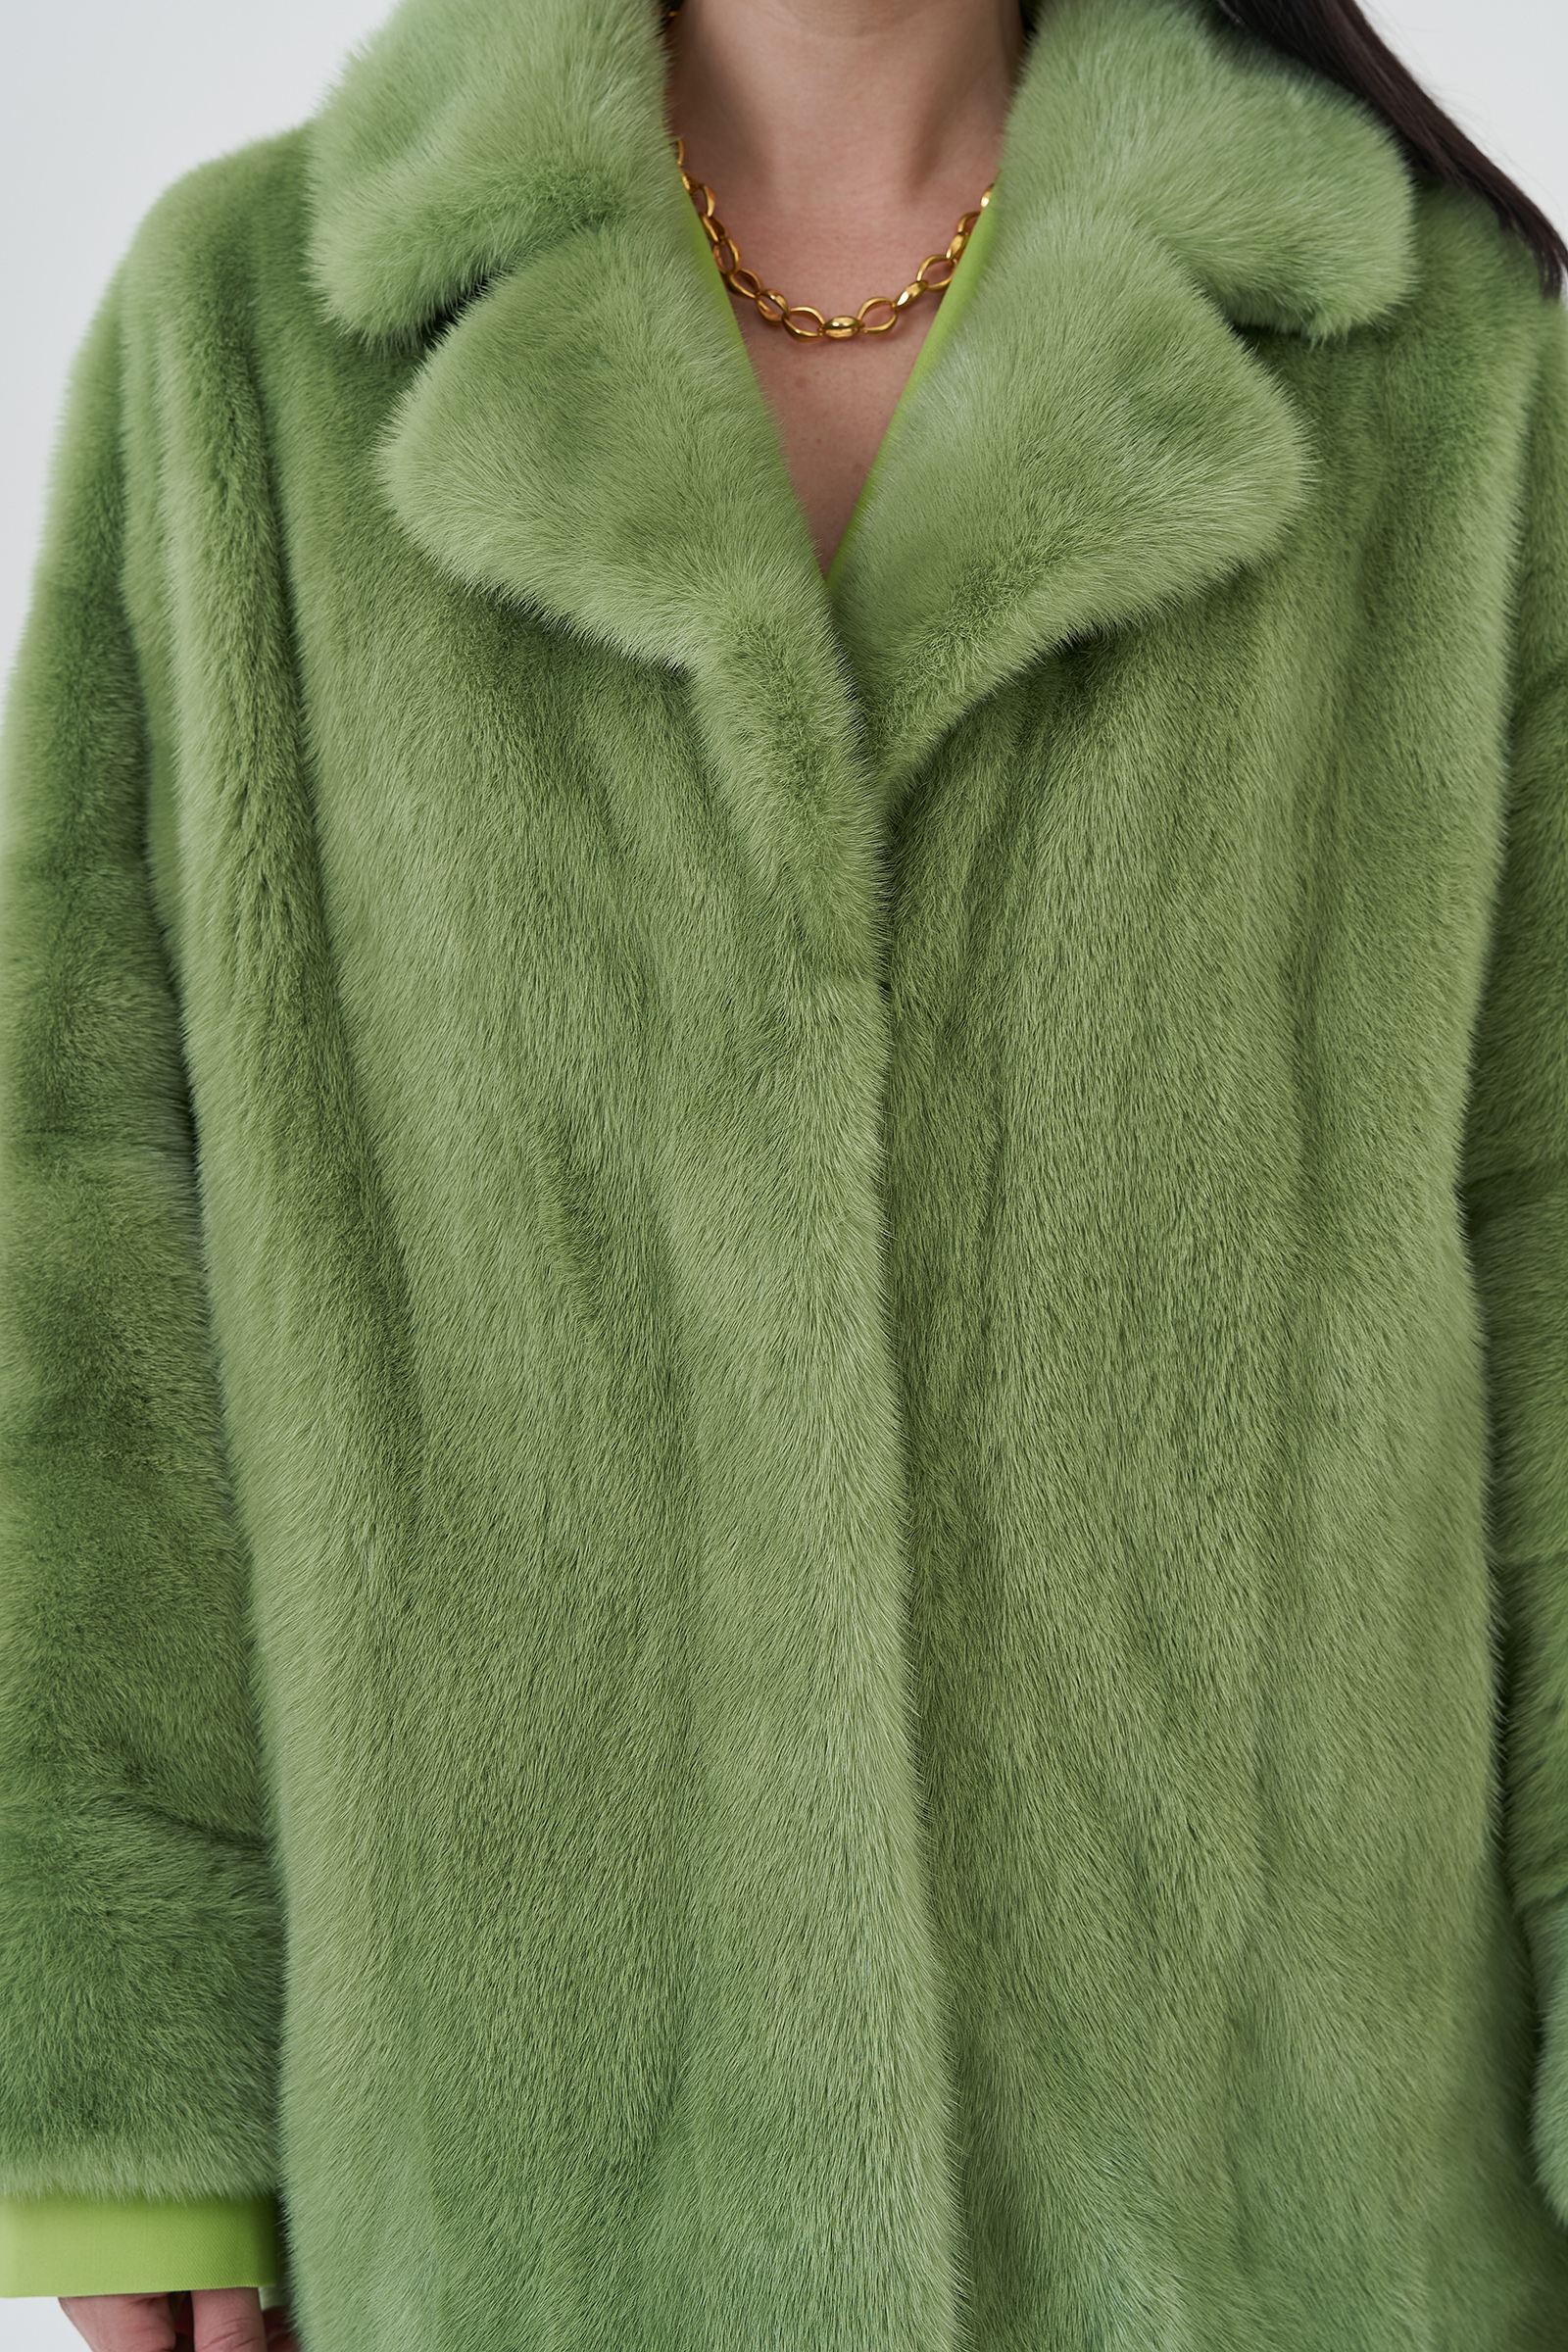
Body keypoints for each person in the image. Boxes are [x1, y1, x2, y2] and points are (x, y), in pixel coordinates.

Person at [3, 0, 1567, 2345]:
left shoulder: (1435, 364)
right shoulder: (255, 335)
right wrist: (129, 2123)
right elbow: (88, 1272)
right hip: (520, 2198)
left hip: (1290, 2225)